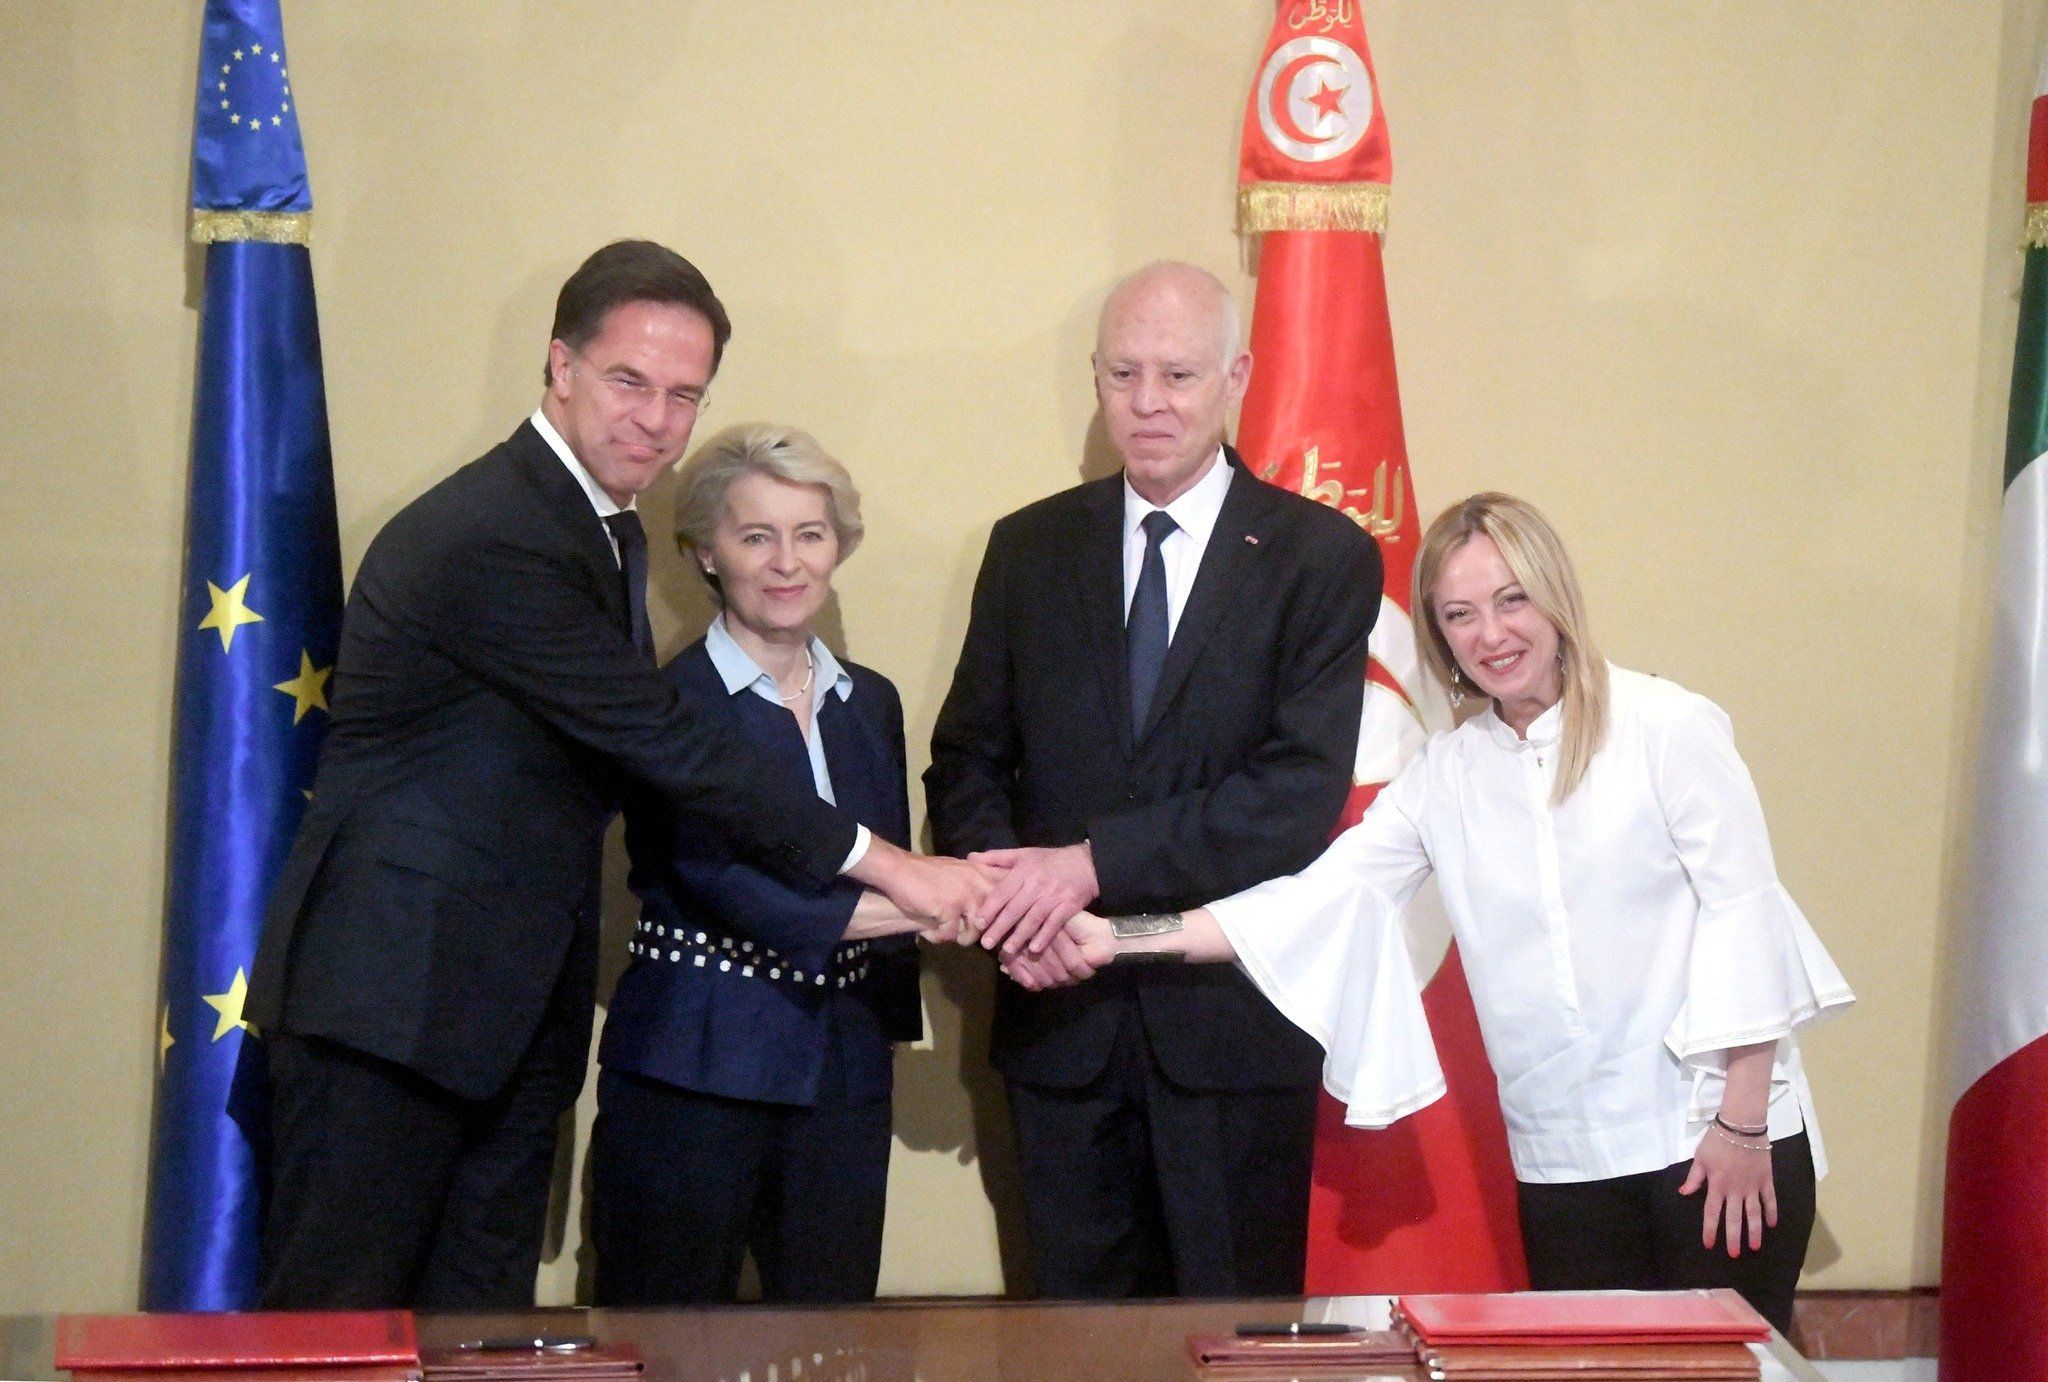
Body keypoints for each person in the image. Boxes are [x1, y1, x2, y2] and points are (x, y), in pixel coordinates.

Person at [246, 241, 985, 1310]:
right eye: (629, 381)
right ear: (559, 366)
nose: (656, 418)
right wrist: (896, 868)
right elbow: (664, 738)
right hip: (390, 1011)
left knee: (478, 1332)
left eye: (684, 394)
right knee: (336, 1332)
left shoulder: (598, 526)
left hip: (500, 1021)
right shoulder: (495, 530)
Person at [1010, 492, 1853, 1333]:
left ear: (1556, 596)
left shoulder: (1668, 725)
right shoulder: (1446, 773)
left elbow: (1747, 916)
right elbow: (1318, 901)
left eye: (1511, 600)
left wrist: (1744, 1123)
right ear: (1438, 634)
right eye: (1460, 614)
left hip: (1711, 1141)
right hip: (1563, 1162)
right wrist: (1117, 937)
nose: (1492, 634)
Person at [924, 262, 1383, 1298]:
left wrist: (1088, 866)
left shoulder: (1319, 556)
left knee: (1232, 1341)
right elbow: (966, 758)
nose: (1147, 403)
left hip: (1232, 1035)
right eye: (1122, 373)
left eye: (1176, 374)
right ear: (1094, 377)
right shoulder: (1026, 547)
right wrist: (1013, 912)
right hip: (1055, 1028)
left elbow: (1294, 796)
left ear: (1235, 375)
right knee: (1072, 1351)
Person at [588, 424, 930, 1304]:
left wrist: (933, 921)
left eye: (809, 534)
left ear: (838, 547)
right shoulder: (665, 707)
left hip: (843, 1075)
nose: (787, 563)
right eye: (756, 537)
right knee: (667, 1337)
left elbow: (884, 865)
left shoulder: (872, 703)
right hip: (695, 1068)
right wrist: (950, 902)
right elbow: (722, 886)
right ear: (707, 552)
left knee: (833, 1342)